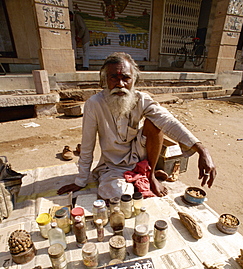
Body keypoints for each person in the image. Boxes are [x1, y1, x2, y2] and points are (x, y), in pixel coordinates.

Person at [58, 52, 216, 199]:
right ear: (105, 80)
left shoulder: (141, 99)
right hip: (113, 164)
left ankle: (151, 174)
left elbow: (168, 121)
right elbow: (87, 145)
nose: (120, 84)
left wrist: (202, 150)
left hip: (139, 156)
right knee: (115, 194)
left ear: (134, 80)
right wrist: (80, 181)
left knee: (155, 122)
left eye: (125, 78)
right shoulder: (94, 104)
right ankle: (139, 176)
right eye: (114, 77)